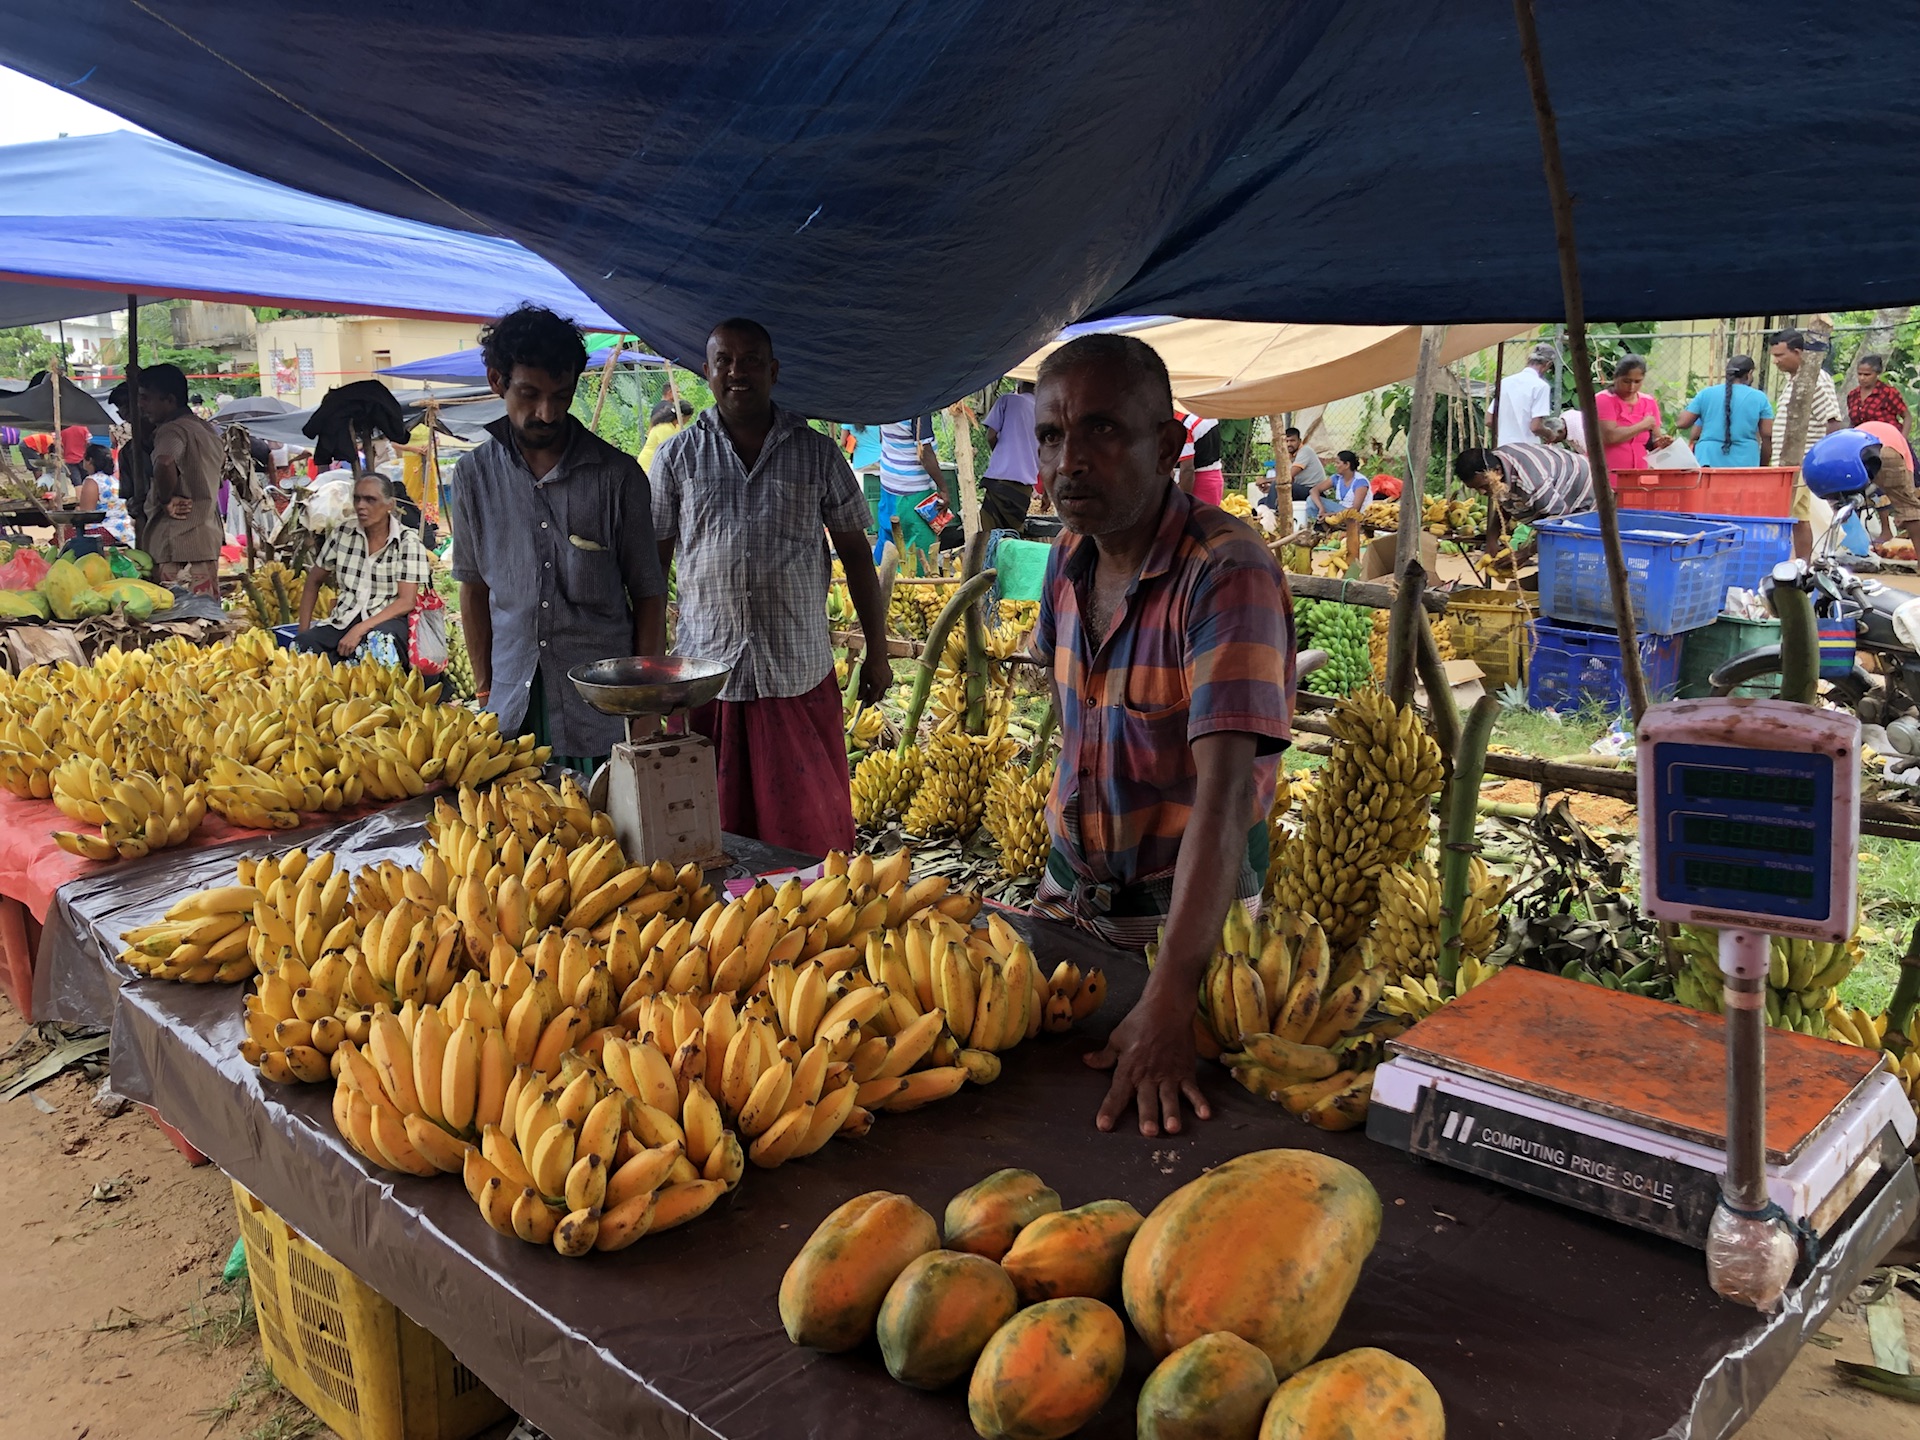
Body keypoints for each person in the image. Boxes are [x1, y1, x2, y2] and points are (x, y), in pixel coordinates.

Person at [1025, 332, 1296, 1137]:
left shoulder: (1225, 572)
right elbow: (1079, 729)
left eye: (1103, 429)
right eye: (1051, 434)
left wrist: (1172, 998)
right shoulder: (1069, 554)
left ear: (1170, 445)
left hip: (1184, 923)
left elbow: (1224, 799)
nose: (1070, 459)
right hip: (1068, 894)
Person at [653, 318, 892, 856]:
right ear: (707, 372)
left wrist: (877, 652)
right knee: (705, 832)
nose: (738, 371)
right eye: (725, 361)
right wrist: (649, 668)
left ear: (773, 371)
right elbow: (654, 565)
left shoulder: (817, 453)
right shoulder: (677, 458)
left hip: (796, 671)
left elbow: (857, 557)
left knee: (811, 835)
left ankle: (816, 923)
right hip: (706, 676)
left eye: (752, 360)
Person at [451, 304, 668, 770]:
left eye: (561, 395)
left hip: (602, 713)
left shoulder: (619, 477)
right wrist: (486, 686)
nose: (546, 412)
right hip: (512, 709)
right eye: (529, 394)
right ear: (497, 382)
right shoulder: (473, 476)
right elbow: (473, 588)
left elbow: (649, 593)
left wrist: (647, 703)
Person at [295, 474, 431, 664]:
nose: (360, 506)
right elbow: (313, 581)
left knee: (378, 645)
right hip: (344, 618)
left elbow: (406, 602)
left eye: (370, 500)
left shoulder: (407, 542)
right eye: (357, 498)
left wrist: (359, 629)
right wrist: (304, 630)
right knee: (301, 647)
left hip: (388, 621)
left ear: (389, 505)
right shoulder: (343, 533)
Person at [138, 363, 224, 596]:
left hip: (177, 544)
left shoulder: (172, 430)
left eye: (147, 398)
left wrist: (166, 498)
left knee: (179, 623)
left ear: (169, 400)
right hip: (205, 538)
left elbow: (165, 461)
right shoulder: (205, 430)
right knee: (205, 621)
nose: (141, 406)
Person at [1767, 328, 1843, 560]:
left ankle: (1793, 565)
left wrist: (1821, 461)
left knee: (1786, 517)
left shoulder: (1814, 381)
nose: (1776, 361)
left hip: (1800, 462)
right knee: (1799, 518)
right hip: (1789, 464)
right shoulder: (1797, 380)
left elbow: (1833, 421)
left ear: (1798, 352)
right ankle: (1802, 565)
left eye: (1781, 355)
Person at [1453, 443, 1595, 559]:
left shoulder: (1530, 482)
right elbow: (1506, 503)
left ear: (1497, 472)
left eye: (1483, 487)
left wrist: (1526, 553)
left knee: (1569, 554)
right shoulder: (1495, 466)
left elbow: (1560, 524)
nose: (1482, 493)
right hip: (1554, 492)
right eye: (1476, 489)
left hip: (1583, 489)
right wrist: (1492, 538)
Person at [870, 411, 947, 563]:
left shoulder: (884, 397)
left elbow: (882, 436)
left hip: (888, 482)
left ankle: (879, 579)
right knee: (918, 546)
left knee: (887, 535)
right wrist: (944, 488)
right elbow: (924, 451)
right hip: (913, 490)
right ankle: (912, 583)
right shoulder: (919, 405)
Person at [1676, 355, 1774, 468]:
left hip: (1708, 460)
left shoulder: (1706, 393)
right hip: (1745, 462)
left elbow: (1683, 423)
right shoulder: (1760, 398)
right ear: (1749, 373)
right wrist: (1763, 465)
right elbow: (1767, 435)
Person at [1592, 353, 1668, 473]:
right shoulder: (1603, 399)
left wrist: (1663, 443)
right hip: (1608, 472)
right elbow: (1610, 436)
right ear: (1615, 377)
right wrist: (1643, 425)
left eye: (1637, 382)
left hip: (1639, 474)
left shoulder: (1648, 401)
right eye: (1626, 381)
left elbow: (1655, 439)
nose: (1632, 387)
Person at [980, 381, 1039, 534]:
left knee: (990, 535)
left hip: (998, 481)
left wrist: (1001, 454)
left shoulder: (1007, 400)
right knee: (1012, 536)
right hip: (1022, 489)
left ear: (1018, 386)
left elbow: (991, 436)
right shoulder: (1044, 411)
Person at [1495, 342, 1556, 446]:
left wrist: (1506, 433)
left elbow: (1489, 420)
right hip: (1527, 450)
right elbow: (1535, 427)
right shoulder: (1541, 386)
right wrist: (1550, 434)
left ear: (1528, 360)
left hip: (1503, 447)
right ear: (1548, 364)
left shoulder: (1505, 382)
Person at [1174, 408, 1225, 506]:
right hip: (1214, 478)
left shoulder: (1183, 425)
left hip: (1197, 485)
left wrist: (1182, 503)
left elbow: (1187, 470)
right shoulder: (1206, 413)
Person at [1847, 353, 1908, 434]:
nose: (1862, 378)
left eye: (1867, 375)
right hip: (1863, 441)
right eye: (1859, 374)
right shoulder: (1853, 395)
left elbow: (1907, 417)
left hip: (1887, 439)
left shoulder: (1888, 393)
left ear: (1877, 374)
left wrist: (1901, 440)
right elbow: (1853, 422)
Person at [1307, 450, 1370, 521]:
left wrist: (1329, 515)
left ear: (1347, 465)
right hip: (1340, 510)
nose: (1335, 465)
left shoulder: (1360, 482)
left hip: (1353, 515)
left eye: (1337, 463)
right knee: (1311, 499)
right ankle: (1317, 525)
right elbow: (1314, 490)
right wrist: (1321, 508)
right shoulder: (1337, 478)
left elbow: (1355, 510)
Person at [638, 397, 695, 472]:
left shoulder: (677, 427)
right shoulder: (664, 428)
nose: (688, 420)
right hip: (649, 463)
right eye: (688, 418)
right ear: (682, 417)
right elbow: (669, 451)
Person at [1280, 426, 1327, 505]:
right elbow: (1289, 479)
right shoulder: (1288, 455)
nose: (1289, 444)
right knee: (1262, 501)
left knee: (1287, 488)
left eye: (1292, 441)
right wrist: (1269, 487)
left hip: (1316, 493)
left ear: (1300, 441)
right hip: (1302, 490)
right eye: (1286, 441)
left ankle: (1273, 514)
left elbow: (1287, 476)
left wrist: (1267, 480)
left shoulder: (1305, 451)